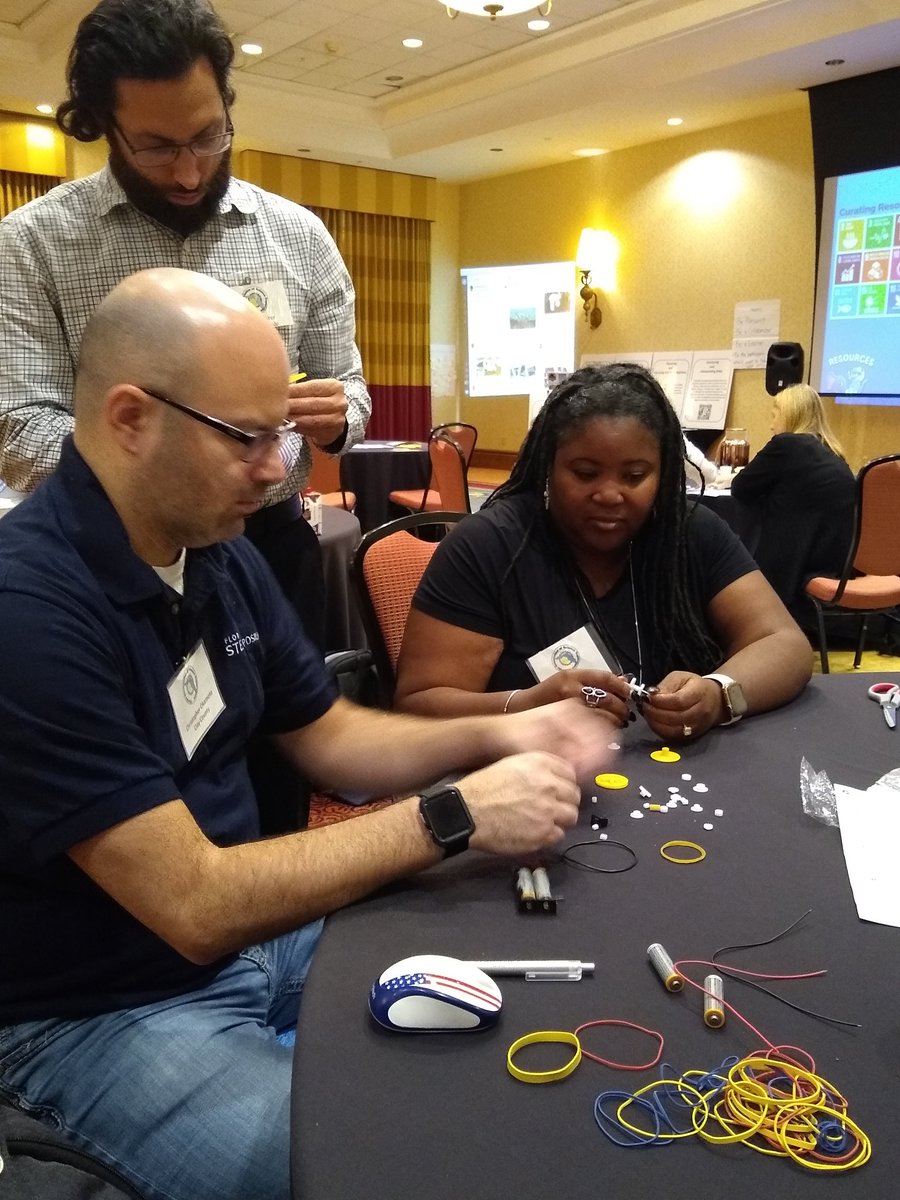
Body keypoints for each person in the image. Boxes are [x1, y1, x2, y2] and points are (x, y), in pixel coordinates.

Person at [0, 268, 610, 1200]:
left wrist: (510, 730)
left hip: (245, 939)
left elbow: (332, 738)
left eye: (280, 434)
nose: (280, 468)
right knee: (381, 1165)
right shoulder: (30, 609)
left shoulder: (216, 549)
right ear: (131, 418)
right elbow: (194, 902)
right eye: (247, 437)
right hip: (96, 1007)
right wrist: (451, 818)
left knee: (519, 995)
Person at [0, 0, 370, 654]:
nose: (190, 171)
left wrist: (339, 416)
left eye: (207, 135)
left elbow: (350, 387)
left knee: (293, 747)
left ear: (227, 106)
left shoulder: (299, 238)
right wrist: (173, 476)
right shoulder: (34, 244)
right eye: (158, 147)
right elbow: (19, 423)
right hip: (105, 559)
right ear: (103, 126)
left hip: (272, 546)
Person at [395, 363, 812, 743]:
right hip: (525, 789)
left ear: (662, 473)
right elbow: (418, 706)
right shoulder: (488, 546)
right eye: (585, 473)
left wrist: (720, 692)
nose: (610, 495)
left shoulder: (689, 532)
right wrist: (527, 705)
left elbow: (786, 645)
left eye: (634, 476)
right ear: (548, 467)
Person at [730, 383, 856, 624]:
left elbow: (741, 488)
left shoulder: (786, 445)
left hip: (792, 568)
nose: (771, 424)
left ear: (789, 414)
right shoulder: (834, 452)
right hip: (835, 564)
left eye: (774, 415)